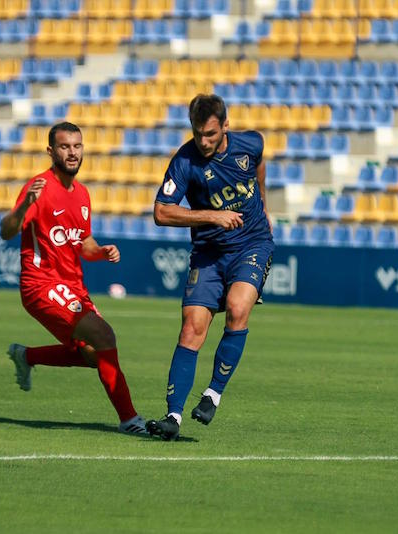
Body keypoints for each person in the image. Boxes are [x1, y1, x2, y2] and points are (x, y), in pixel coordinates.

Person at [0, 121, 147, 435]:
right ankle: (130, 420)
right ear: (51, 151)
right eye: (65, 147)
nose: (72, 153)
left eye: (77, 146)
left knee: (94, 355)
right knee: (104, 336)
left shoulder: (81, 194)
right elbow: (7, 231)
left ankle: (26, 355)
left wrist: (101, 252)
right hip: (41, 284)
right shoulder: (38, 187)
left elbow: (83, 243)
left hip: (73, 287)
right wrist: (25, 204)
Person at [145, 94, 274, 440]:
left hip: (252, 244)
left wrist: (263, 202)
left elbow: (259, 162)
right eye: (198, 133)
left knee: (237, 307)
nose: (203, 142)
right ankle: (172, 416)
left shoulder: (250, 143)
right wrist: (212, 216)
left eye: (211, 135)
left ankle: (213, 394)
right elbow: (161, 212)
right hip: (208, 254)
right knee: (191, 329)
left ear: (225, 126)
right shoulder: (184, 162)